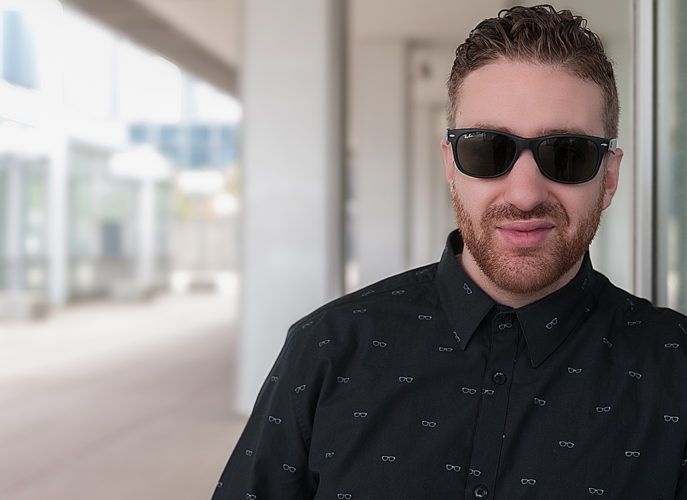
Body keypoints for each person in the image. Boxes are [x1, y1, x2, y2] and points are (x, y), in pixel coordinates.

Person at [213, 5, 687, 499]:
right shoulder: (325, 349)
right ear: (451, 164)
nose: (525, 194)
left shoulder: (677, 369)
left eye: (568, 154)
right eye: (488, 149)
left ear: (608, 176)